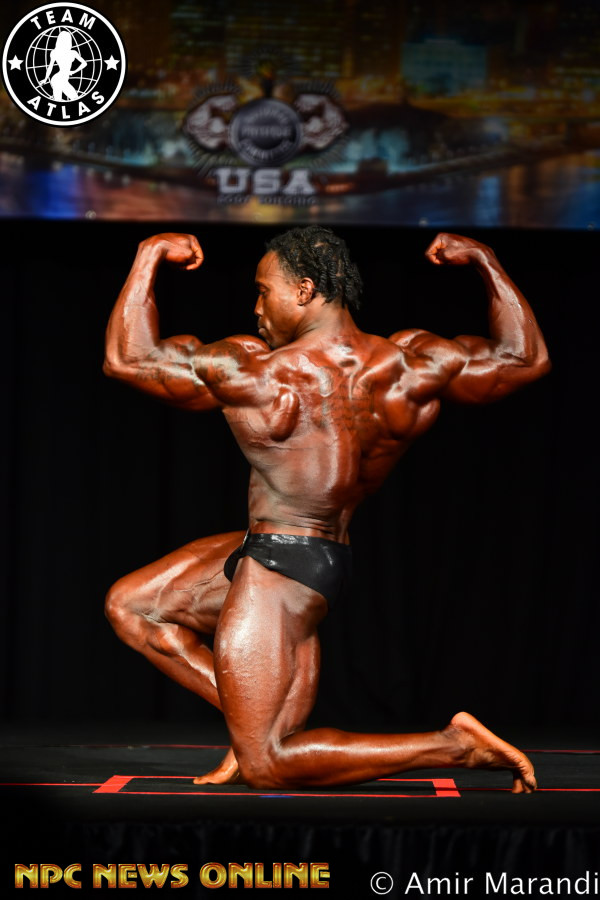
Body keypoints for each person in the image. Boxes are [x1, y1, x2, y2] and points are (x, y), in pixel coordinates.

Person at [104, 227, 549, 792]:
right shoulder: (410, 366)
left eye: (263, 291)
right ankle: (250, 717)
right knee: (134, 606)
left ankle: (454, 746)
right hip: (315, 557)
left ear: (304, 290)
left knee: (267, 764)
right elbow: (523, 359)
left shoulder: (257, 370)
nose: (256, 307)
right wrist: (485, 261)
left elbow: (128, 358)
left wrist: (148, 255)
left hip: (279, 569)